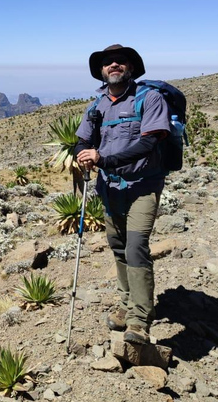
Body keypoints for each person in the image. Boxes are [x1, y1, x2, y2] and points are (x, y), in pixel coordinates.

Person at [75, 44, 169, 344]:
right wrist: (82, 155)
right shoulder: (96, 105)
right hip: (109, 188)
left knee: (136, 246)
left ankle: (140, 320)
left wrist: (104, 160)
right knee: (118, 247)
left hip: (143, 186)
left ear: (131, 67)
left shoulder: (149, 98)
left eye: (120, 61)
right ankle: (127, 305)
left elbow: (149, 143)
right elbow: (82, 140)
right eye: (107, 62)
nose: (113, 65)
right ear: (101, 70)